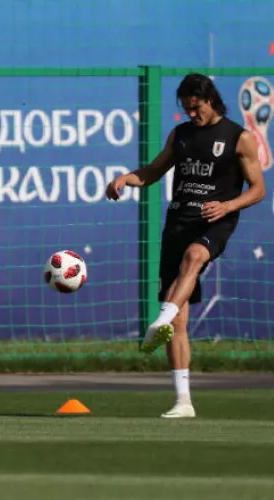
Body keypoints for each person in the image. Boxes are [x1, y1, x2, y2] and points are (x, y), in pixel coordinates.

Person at [106, 73, 266, 418]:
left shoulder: (240, 138)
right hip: (178, 223)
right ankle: (183, 402)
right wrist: (124, 179)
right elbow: (152, 172)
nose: (191, 114)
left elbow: (258, 189)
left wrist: (227, 205)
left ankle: (160, 319)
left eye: (195, 108)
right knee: (180, 323)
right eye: (186, 109)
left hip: (216, 221)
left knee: (195, 256)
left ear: (209, 100)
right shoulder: (181, 135)